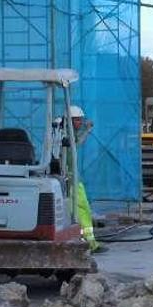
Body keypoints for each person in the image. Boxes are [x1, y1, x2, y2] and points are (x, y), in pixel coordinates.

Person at [66, 105, 99, 251]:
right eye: (77, 120)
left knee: (79, 210)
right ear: (69, 120)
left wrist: (84, 129)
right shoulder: (66, 135)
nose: (79, 122)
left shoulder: (64, 133)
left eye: (80, 120)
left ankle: (86, 242)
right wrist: (86, 129)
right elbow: (76, 143)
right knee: (82, 209)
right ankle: (88, 243)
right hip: (70, 178)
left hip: (71, 177)